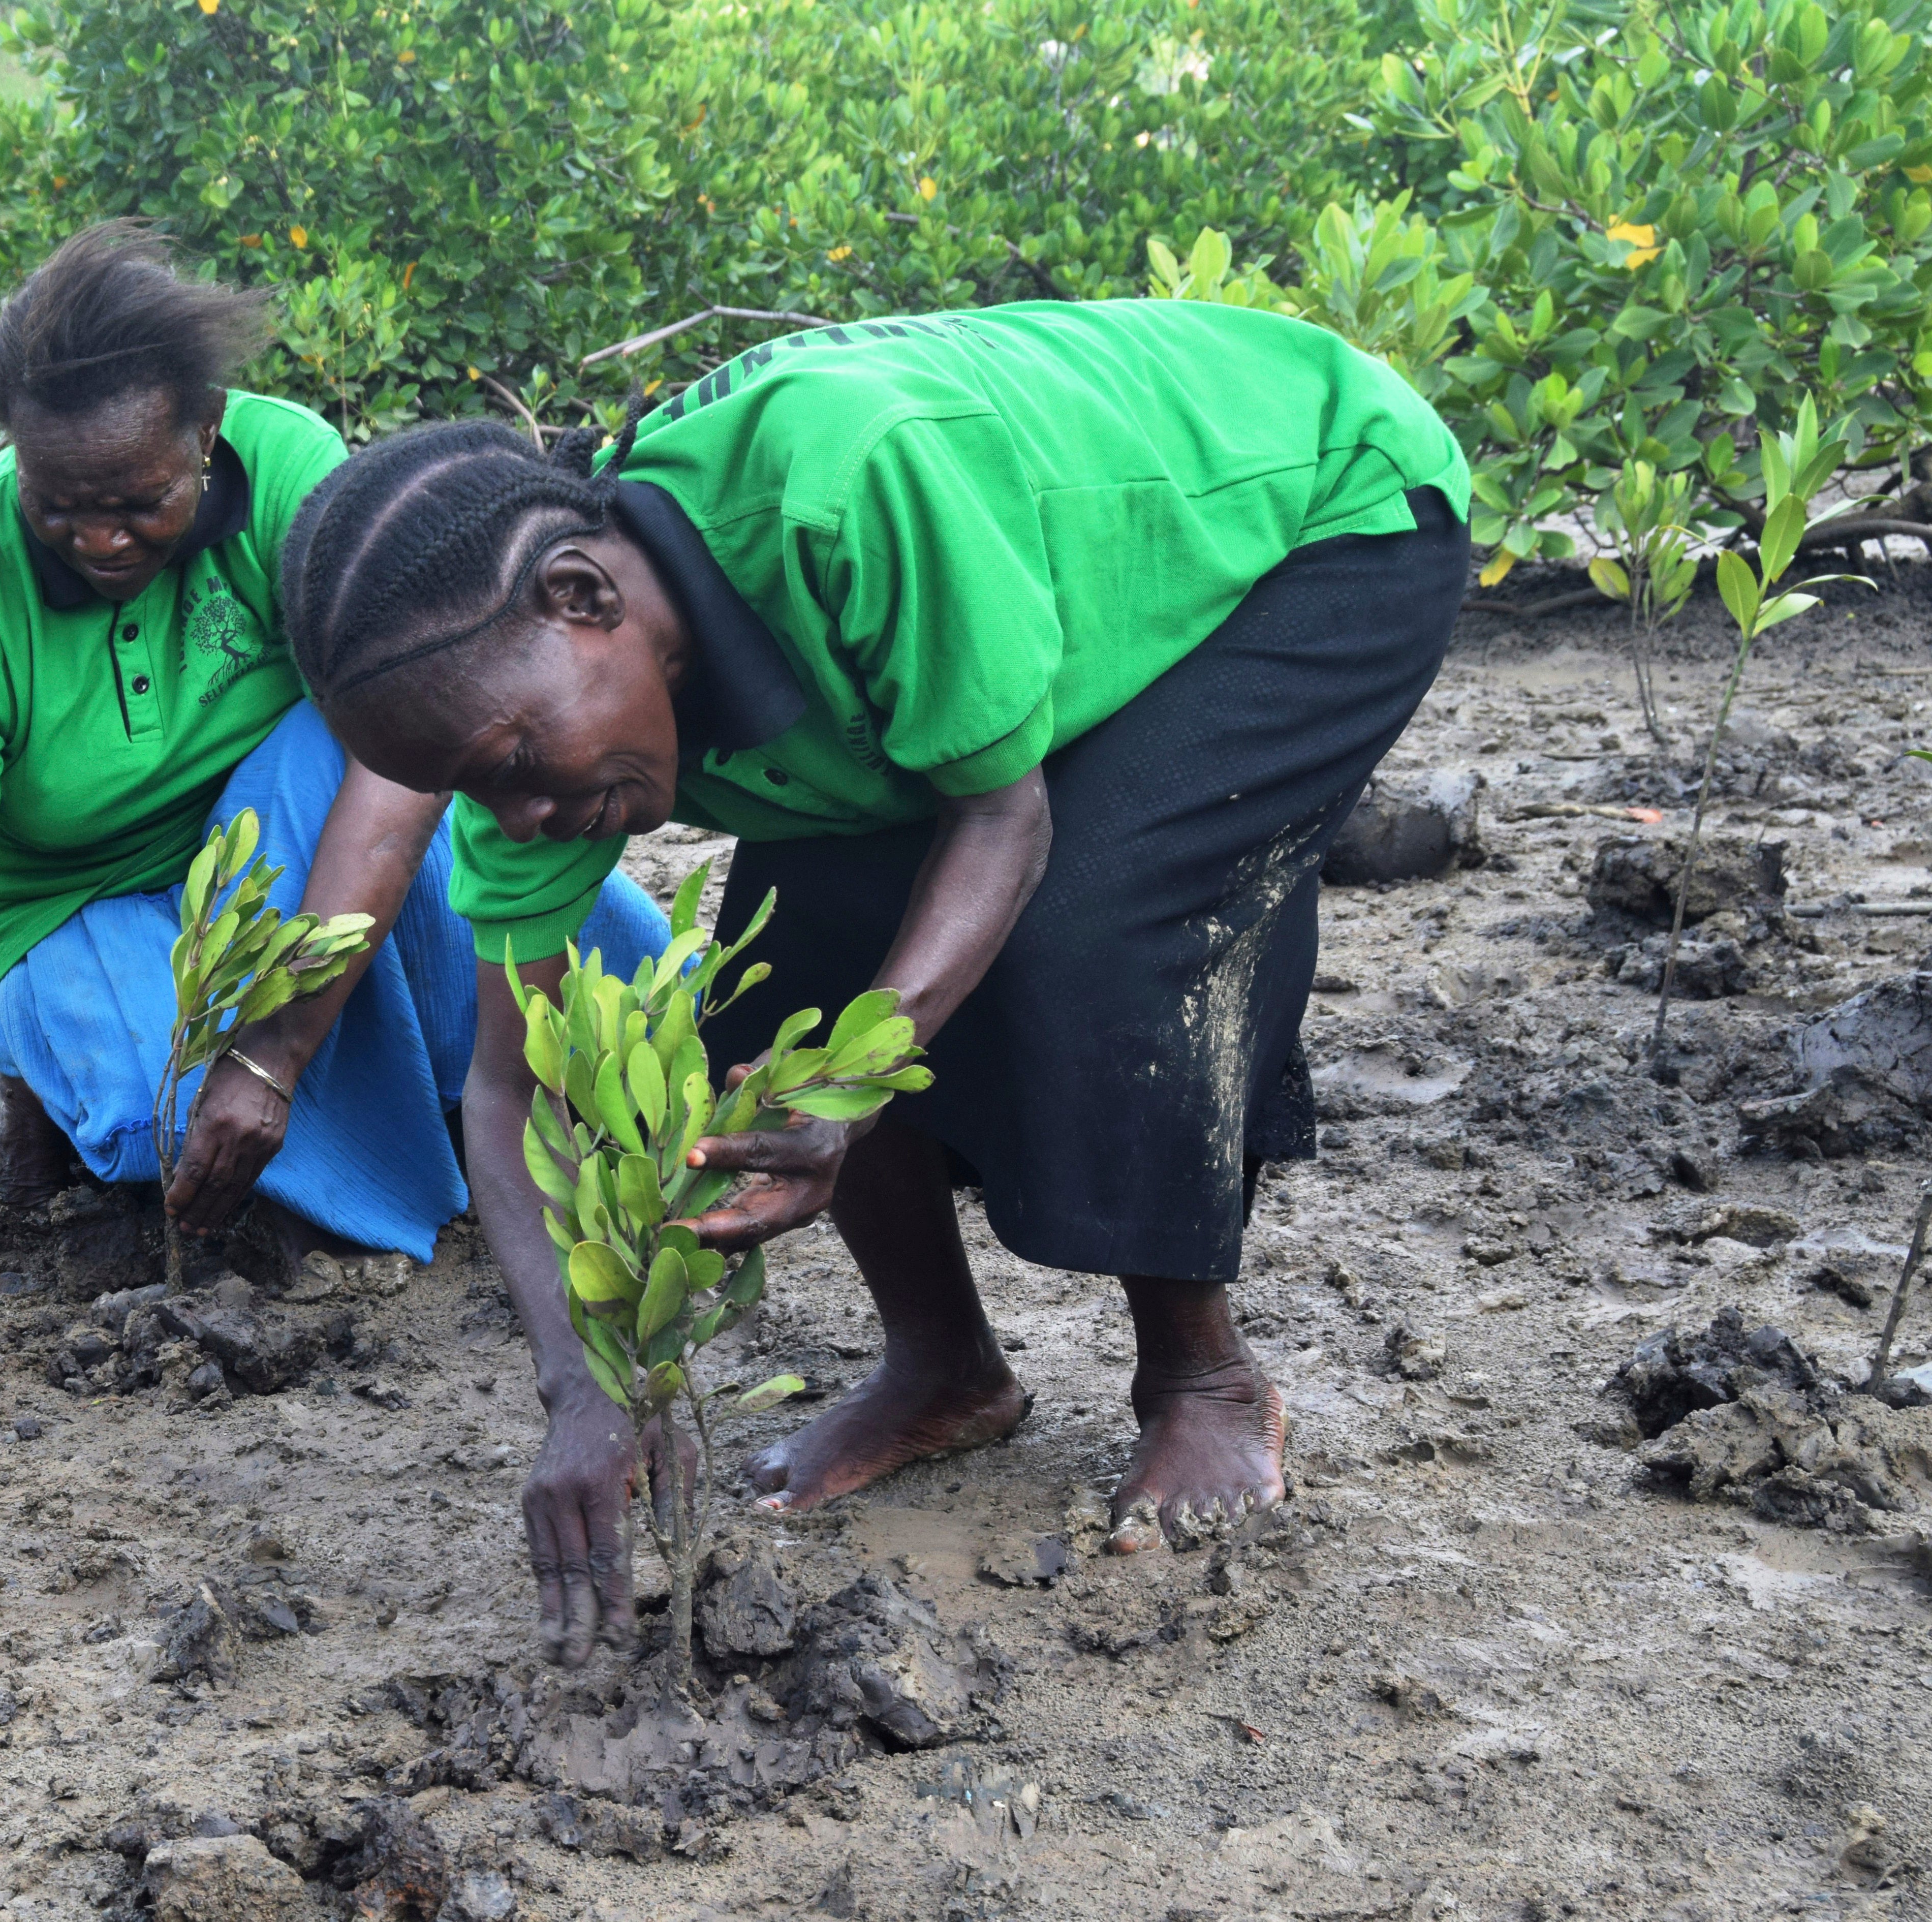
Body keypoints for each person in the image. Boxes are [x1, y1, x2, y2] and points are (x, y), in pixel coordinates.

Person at [279, 301, 1470, 1663]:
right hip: (1045, 610)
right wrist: (581, 1387)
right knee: (777, 989)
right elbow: (509, 1082)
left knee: (1097, 922)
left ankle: (1199, 1370)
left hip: (1319, 517)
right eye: (469, 789)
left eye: (512, 758)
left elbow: (1002, 821)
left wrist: (847, 1099)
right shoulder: (529, 741)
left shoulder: (849, 481)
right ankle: (944, 1366)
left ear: (582, 597)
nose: (520, 814)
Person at [0, 220, 670, 1398]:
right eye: (59, 503)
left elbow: (400, 752)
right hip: (67, 901)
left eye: (138, 500)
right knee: (165, 1113)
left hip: (284, 840)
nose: (100, 537)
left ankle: (383, 1096)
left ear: (205, 433)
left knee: (611, 979)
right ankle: (149, 1093)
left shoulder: (292, 470)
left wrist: (273, 1051)